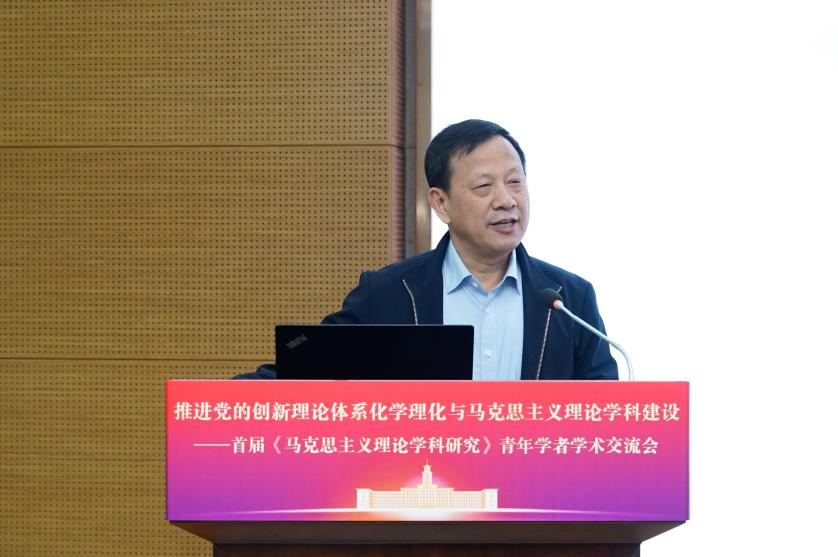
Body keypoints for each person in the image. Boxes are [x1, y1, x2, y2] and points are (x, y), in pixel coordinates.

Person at [242, 119, 617, 380]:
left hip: (531, 477)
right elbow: (303, 369)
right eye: (484, 187)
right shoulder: (387, 294)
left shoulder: (570, 300)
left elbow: (604, 411)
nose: (506, 200)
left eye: (515, 182)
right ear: (441, 203)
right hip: (423, 475)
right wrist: (216, 402)